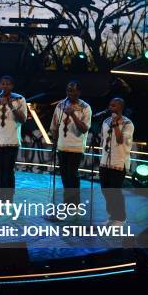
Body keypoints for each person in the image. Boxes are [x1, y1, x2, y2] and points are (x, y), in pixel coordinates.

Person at [49, 81, 92, 213]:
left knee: (72, 175)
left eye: (73, 91)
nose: (70, 93)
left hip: (76, 147)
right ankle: (68, 203)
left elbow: (84, 129)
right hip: (62, 146)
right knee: (64, 176)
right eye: (68, 90)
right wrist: (54, 144)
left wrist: (73, 114)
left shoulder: (85, 107)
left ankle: (75, 204)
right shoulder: (60, 105)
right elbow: (54, 127)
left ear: (79, 92)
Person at [99, 98, 134, 226]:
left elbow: (120, 140)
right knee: (105, 190)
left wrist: (115, 125)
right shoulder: (105, 121)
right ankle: (112, 215)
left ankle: (120, 218)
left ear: (120, 108)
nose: (111, 107)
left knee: (115, 191)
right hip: (104, 162)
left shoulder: (128, 124)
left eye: (114, 105)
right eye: (110, 104)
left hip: (119, 162)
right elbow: (103, 141)